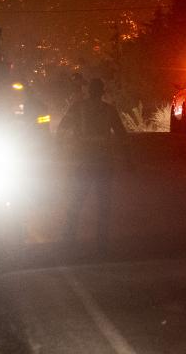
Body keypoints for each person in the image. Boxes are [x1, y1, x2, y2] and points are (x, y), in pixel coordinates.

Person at [57, 78, 126, 249]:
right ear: (102, 92)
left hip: (85, 160)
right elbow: (121, 134)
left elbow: (62, 128)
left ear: (89, 91)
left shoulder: (78, 107)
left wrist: (61, 149)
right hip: (104, 161)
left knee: (77, 200)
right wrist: (128, 159)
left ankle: (68, 239)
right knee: (103, 203)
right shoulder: (109, 110)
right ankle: (101, 243)